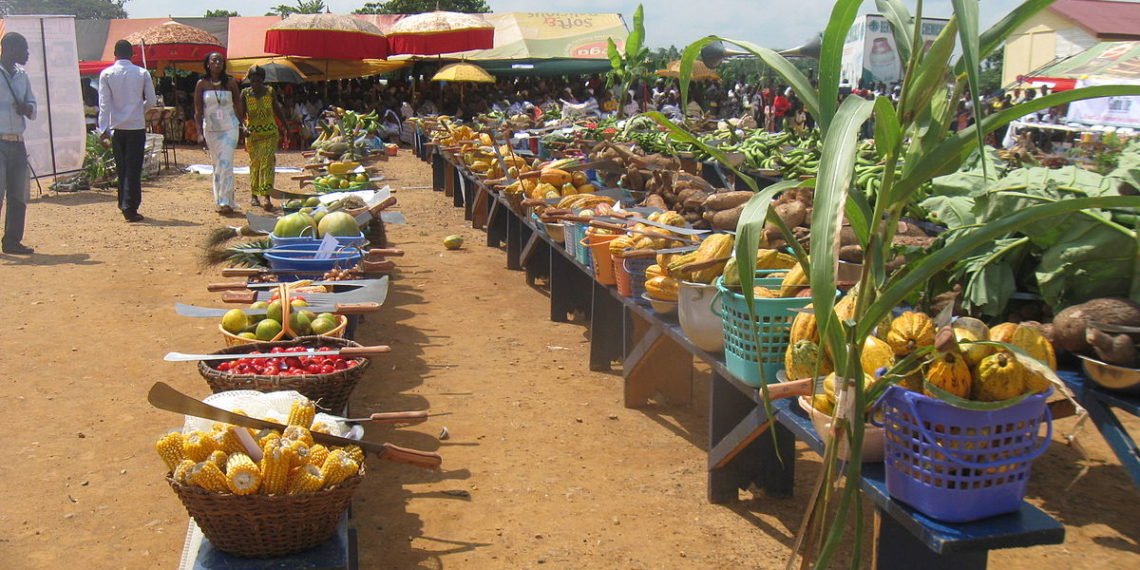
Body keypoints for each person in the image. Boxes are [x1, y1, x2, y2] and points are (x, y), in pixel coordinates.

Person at [98, 39, 155, 223]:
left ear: (115, 54)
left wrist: (103, 130)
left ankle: (123, 201)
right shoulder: (142, 73)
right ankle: (130, 206)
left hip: (117, 129)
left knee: (122, 167)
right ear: (132, 54)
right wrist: (140, 110)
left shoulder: (106, 74)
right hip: (136, 126)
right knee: (134, 168)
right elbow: (152, 101)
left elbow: (104, 105)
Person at [0, 32, 35, 254]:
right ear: (10, 49)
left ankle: (12, 241)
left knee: (18, 195)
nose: (27, 54)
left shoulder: (23, 76)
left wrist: (27, 109)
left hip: (18, 142)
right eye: (24, 49)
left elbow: (32, 105)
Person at [195, 52, 242, 215]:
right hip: (211, 130)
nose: (217, 63)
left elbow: (238, 105)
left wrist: (241, 125)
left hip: (230, 128)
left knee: (226, 163)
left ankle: (226, 202)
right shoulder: (202, 84)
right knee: (217, 164)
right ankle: (221, 199)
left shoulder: (230, 83)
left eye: (220, 61)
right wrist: (199, 133)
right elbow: (198, 111)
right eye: (214, 60)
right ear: (207, 64)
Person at [240, 65, 284, 211]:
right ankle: (254, 195)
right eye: (253, 80)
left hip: (270, 133)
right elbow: (240, 114)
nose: (256, 83)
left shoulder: (270, 92)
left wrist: (286, 126)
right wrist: (243, 127)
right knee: (255, 164)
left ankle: (266, 196)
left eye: (259, 80)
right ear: (250, 80)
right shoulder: (245, 94)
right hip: (253, 135)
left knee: (268, 163)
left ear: (263, 80)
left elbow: (277, 109)